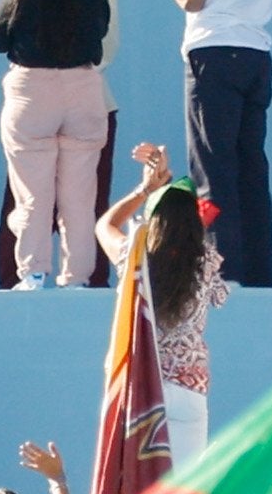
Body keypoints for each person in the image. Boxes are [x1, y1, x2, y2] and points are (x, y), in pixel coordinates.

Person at [123, 0, 272, 287]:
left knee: (212, 170)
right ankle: (257, 275)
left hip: (214, 57)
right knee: (251, 169)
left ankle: (220, 278)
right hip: (256, 57)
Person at [0, 0, 112, 289]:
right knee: (79, 198)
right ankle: (76, 278)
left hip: (32, 92)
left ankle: (34, 272)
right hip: (84, 89)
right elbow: (101, 34)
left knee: (32, 195)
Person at [97, 144, 232, 463]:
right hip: (189, 390)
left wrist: (145, 189)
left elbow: (104, 226)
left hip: (143, 388)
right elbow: (219, 295)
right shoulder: (207, 262)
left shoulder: (135, 259)